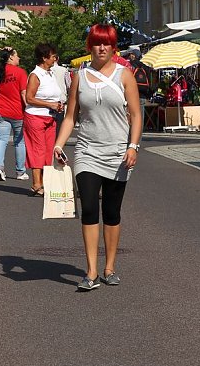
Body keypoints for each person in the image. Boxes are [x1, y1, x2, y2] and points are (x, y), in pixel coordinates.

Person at [54, 23, 142, 290]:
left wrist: (133, 146)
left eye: (107, 43)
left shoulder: (124, 75)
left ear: (113, 47)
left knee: (112, 211)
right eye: (97, 43)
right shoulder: (79, 77)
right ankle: (91, 271)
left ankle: (109, 267)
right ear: (89, 46)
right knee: (90, 208)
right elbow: (70, 117)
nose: (102, 48)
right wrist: (58, 144)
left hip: (118, 152)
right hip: (87, 151)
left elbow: (137, 115)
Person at [22, 42, 63, 196]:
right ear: (44, 58)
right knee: (37, 150)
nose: (55, 60)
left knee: (48, 151)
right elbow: (29, 98)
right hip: (35, 116)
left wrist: (57, 105)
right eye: (53, 57)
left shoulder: (50, 73)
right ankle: (36, 183)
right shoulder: (35, 75)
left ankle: (45, 182)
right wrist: (49, 104)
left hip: (50, 117)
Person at [0, 47, 28, 181]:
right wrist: (29, 108)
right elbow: (24, 93)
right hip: (17, 111)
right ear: (11, 57)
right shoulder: (21, 72)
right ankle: (20, 171)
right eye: (17, 55)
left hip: (1, 110)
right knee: (19, 142)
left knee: (2, 140)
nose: (19, 58)